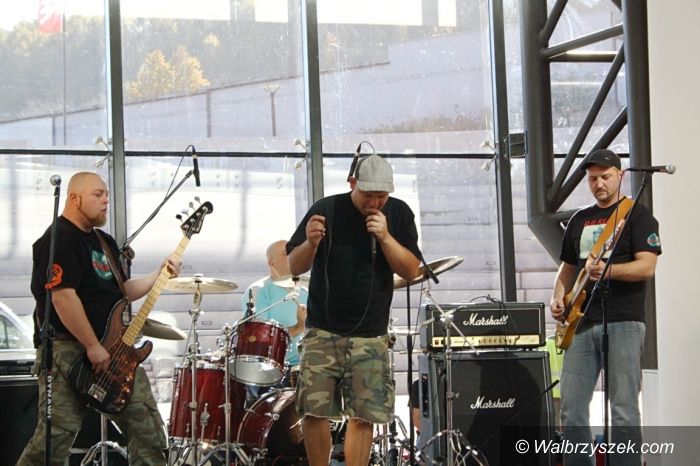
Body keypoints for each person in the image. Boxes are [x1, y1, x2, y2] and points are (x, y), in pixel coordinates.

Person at [17, 172, 182, 466]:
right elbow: (63, 297)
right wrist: (92, 345)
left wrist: (160, 274)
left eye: (107, 193)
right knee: (54, 440)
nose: (106, 200)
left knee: (147, 429)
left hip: (114, 350)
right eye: (97, 194)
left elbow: (122, 291)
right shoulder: (58, 239)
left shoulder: (104, 242)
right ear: (74, 198)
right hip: (68, 351)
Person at [287, 153, 421, 466]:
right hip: (323, 329)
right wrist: (310, 243)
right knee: (314, 410)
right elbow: (294, 265)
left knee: (364, 414)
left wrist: (385, 236)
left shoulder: (399, 213)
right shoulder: (326, 209)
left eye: (381, 196)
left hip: (371, 333)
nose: (374, 202)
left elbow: (411, 270)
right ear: (352, 183)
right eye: (368, 195)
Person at [550, 149, 661, 466]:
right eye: (592, 178)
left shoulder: (637, 215)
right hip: (580, 324)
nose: (598, 183)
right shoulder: (579, 219)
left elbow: (647, 267)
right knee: (571, 408)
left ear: (620, 176)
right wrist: (558, 297)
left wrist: (609, 271)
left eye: (605, 177)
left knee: (623, 409)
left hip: (623, 321)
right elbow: (567, 268)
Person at [240, 239, 308, 393]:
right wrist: (298, 327)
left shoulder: (305, 290)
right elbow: (260, 340)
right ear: (271, 264)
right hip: (269, 368)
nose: (291, 255)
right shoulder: (259, 290)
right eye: (285, 253)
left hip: (304, 364)